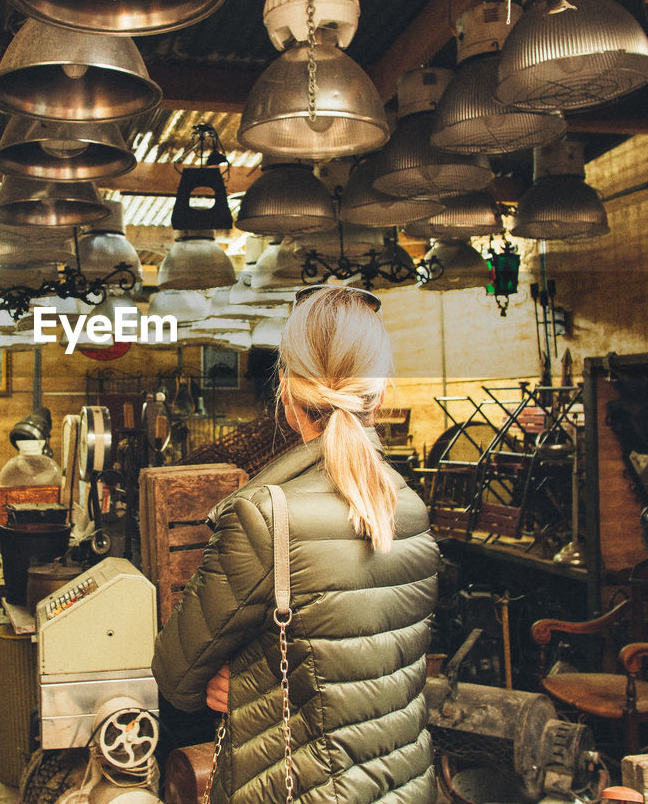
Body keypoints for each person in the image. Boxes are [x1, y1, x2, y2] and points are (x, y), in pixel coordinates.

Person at [152, 284, 439, 804]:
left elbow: (175, 673)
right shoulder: (411, 511)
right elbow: (374, 674)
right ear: (380, 393)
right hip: (408, 787)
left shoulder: (265, 519)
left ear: (286, 392)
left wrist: (238, 684)